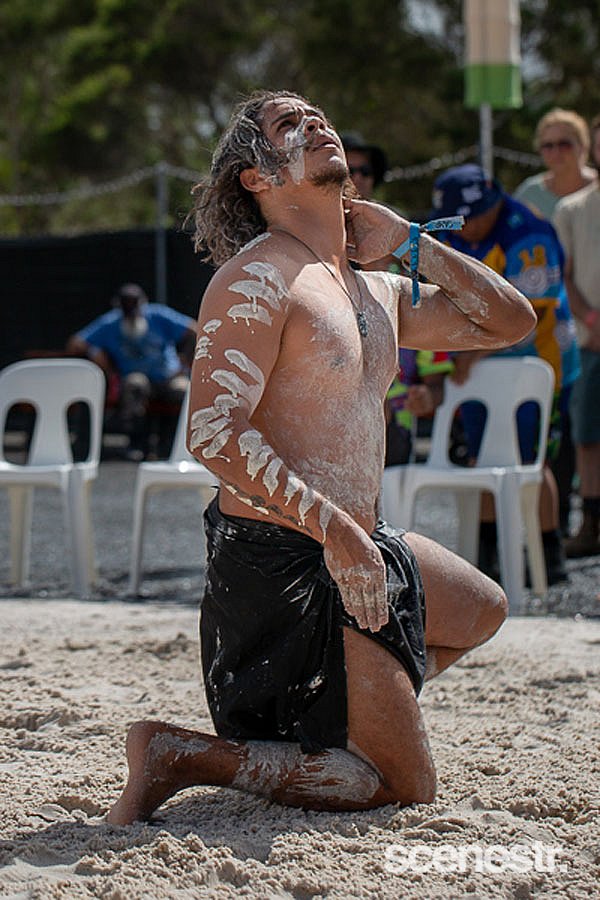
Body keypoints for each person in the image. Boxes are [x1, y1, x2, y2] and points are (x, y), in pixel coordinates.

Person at [106, 90, 535, 826]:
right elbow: (211, 430)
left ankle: (341, 720)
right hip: (283, 560)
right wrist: (333, 530)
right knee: (401, 784)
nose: (317, 125)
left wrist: (412, 243)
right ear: (257, 177)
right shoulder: (257, 277)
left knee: (481, 609)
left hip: (360, 544)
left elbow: (510, 321)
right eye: (289, 124)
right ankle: (184, 756)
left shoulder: (378, 289)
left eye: (319, 117)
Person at [431, 163, 580, 584]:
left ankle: (549, 555)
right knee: (481, 455)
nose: (463, 229)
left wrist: (473, 351)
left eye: (469, 219)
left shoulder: (528, 233)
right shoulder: (452, 233)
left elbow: (531, 315)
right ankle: (488, 556)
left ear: (490, 206)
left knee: (530, 458)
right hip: (476, 365)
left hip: (539, 360)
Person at [67, 283, 196, 460]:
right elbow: (76, 343)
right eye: (126, 304)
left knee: (184, 391)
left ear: (143, 302)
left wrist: (187, 364)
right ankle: (138, 443)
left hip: (169, 375)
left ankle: (174, 444)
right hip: (134, 375)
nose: (131, 309)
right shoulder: (110, 323)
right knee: (135, 385)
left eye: (134, 303)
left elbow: (193, 329)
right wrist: (95, 352)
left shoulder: (158, 315)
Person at [553, 114, 600, 557]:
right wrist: (590, 318)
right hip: (590, 340)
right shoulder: (572, 209)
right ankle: (590, 520)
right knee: (586, 435)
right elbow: (564, 274)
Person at [514, 108, 596, 221]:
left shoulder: (597, 188)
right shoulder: (529, 194)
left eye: (564, 144)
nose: (556, 152)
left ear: (583, 146)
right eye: (548, 146)